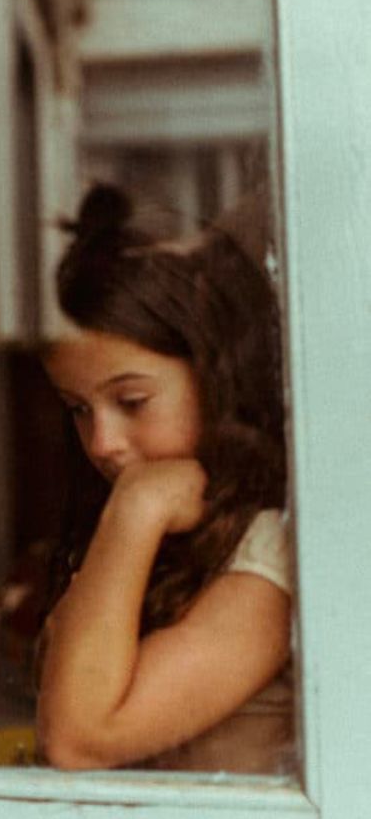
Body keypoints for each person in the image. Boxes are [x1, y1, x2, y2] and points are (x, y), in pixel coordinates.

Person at [37, 185, 292, 773]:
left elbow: (79, 739)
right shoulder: (170, 535)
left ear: (214, 377)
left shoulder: (269, 549)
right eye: (78, 409)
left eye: (132, 400)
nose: (102, 443)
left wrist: (137, 507)